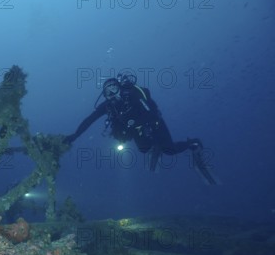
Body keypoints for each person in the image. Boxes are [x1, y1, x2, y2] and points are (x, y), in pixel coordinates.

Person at [63, 74, 218, 184]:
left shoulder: (132, 95)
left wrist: (135, 122)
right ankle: (154, 147)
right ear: (105, 96)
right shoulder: (108, 106)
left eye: (114, 88)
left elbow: (151, 113)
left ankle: (193, 143)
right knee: (144, 150)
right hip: (137, 131)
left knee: (169, 150)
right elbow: (90, 119)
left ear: (120, 87)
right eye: (108, 92)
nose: (112, 94)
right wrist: (75, 135)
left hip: (154, 124)